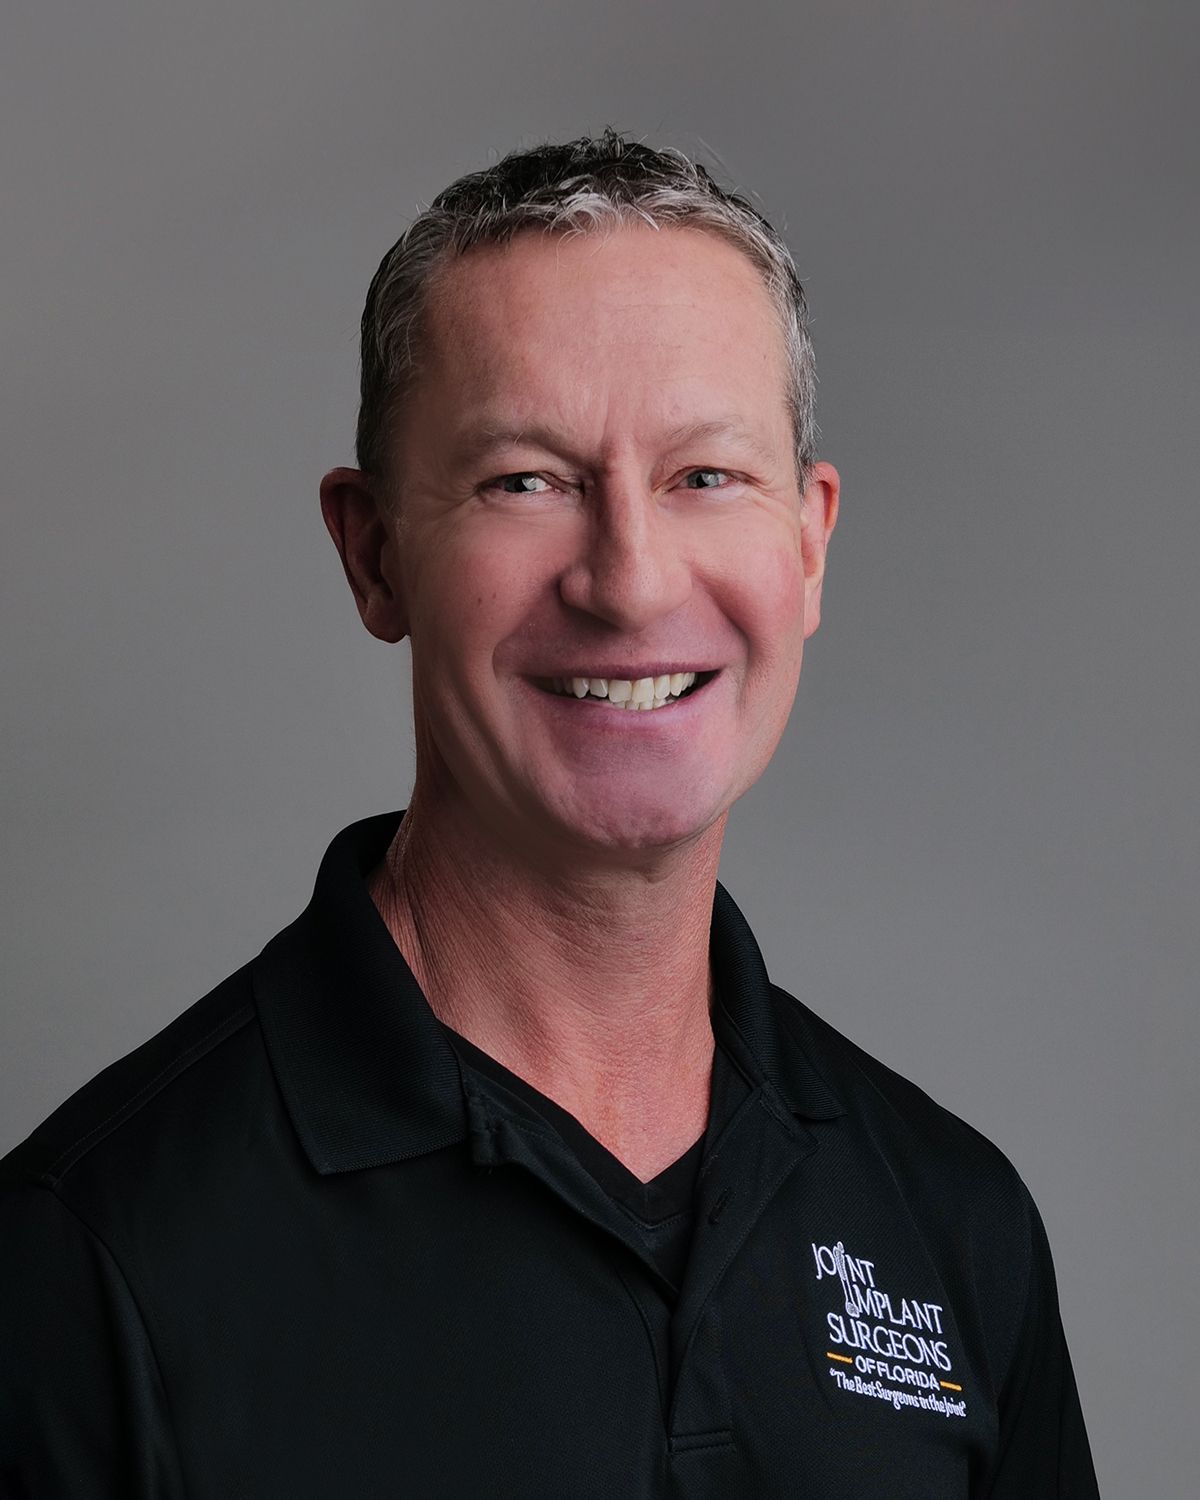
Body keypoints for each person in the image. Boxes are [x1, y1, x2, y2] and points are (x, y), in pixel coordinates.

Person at [0, 130, 1099, 1497]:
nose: (631, 584)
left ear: (808, 545)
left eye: (706, 475)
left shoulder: (953, 1226)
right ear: (374, 553)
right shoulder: (92, 1261)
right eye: (526, 480)